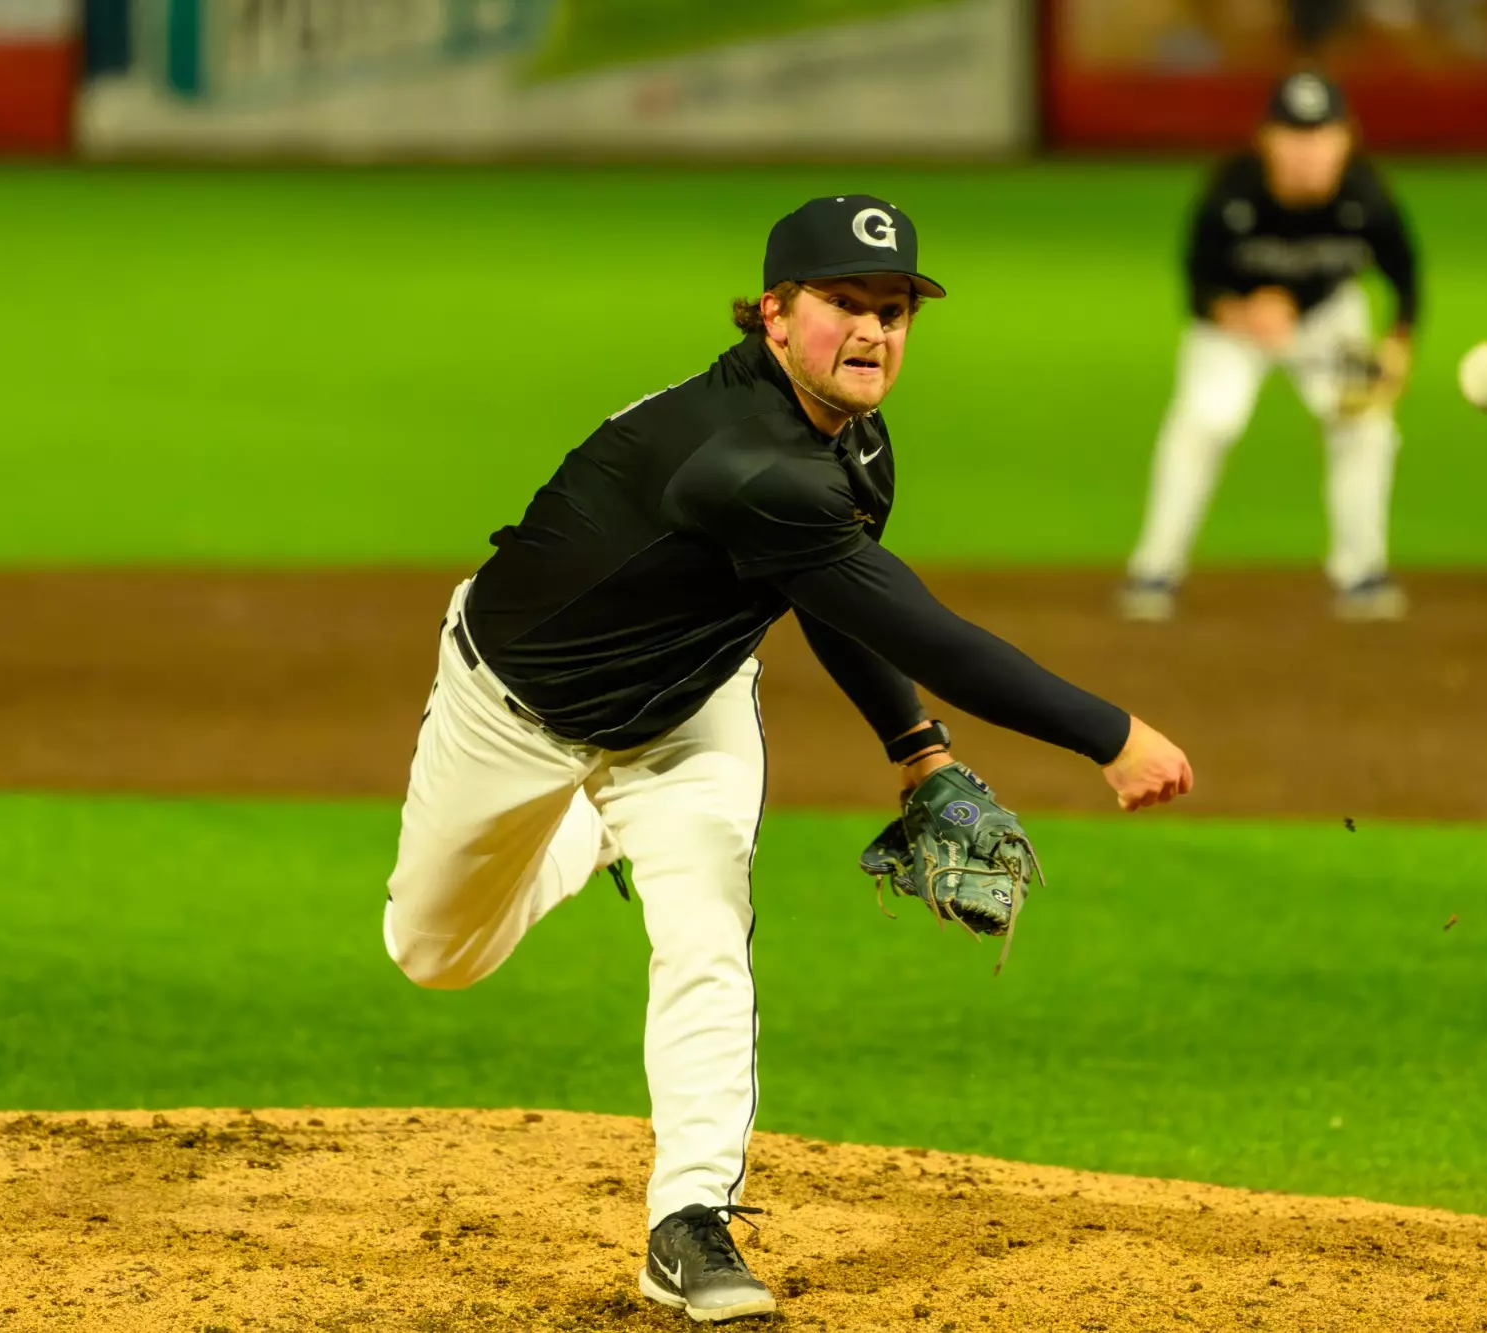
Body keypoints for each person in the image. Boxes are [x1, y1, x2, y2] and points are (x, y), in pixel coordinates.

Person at [381, 194, 1193, 1324]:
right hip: (511, 710)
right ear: (773, 314)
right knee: (434, 955)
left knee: (706, 930)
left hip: (690, 710)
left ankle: (688, 1221)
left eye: (895, 308)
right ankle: (587, 828)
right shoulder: (743, 461)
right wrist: (1112, 734)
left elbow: (828, 598)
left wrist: (915, 750)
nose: (874, 331)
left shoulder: (850, 443)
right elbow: (924, 631)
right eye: (844, 304)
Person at [1120, 71, 1421, 622]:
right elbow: (1196, 285)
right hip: (1234, 329)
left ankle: (1364, 573)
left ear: (1347, 137)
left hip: (1330, 320)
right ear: (1266, 139)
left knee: (1367, 428)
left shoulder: (1368, 195)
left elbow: (1405, 275)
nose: (1307, 149)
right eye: (1293, 134)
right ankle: (1155, 569)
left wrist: (1398, 340)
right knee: (1207, 422)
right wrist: (1243, 311)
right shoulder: (1231, 192)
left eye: (1320, 134)